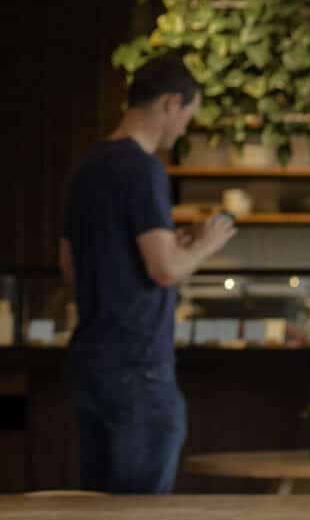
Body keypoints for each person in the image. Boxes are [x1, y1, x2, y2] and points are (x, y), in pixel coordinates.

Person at [58, 52, 235, 493]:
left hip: (89, 361)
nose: (183, 131)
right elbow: (163, 269)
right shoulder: (144, 168)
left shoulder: (89, 167)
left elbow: (69, 265)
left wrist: (169, 248)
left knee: (97, 515)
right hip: (139, 365)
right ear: (172, 102)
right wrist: (206, 246)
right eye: (187, 118)